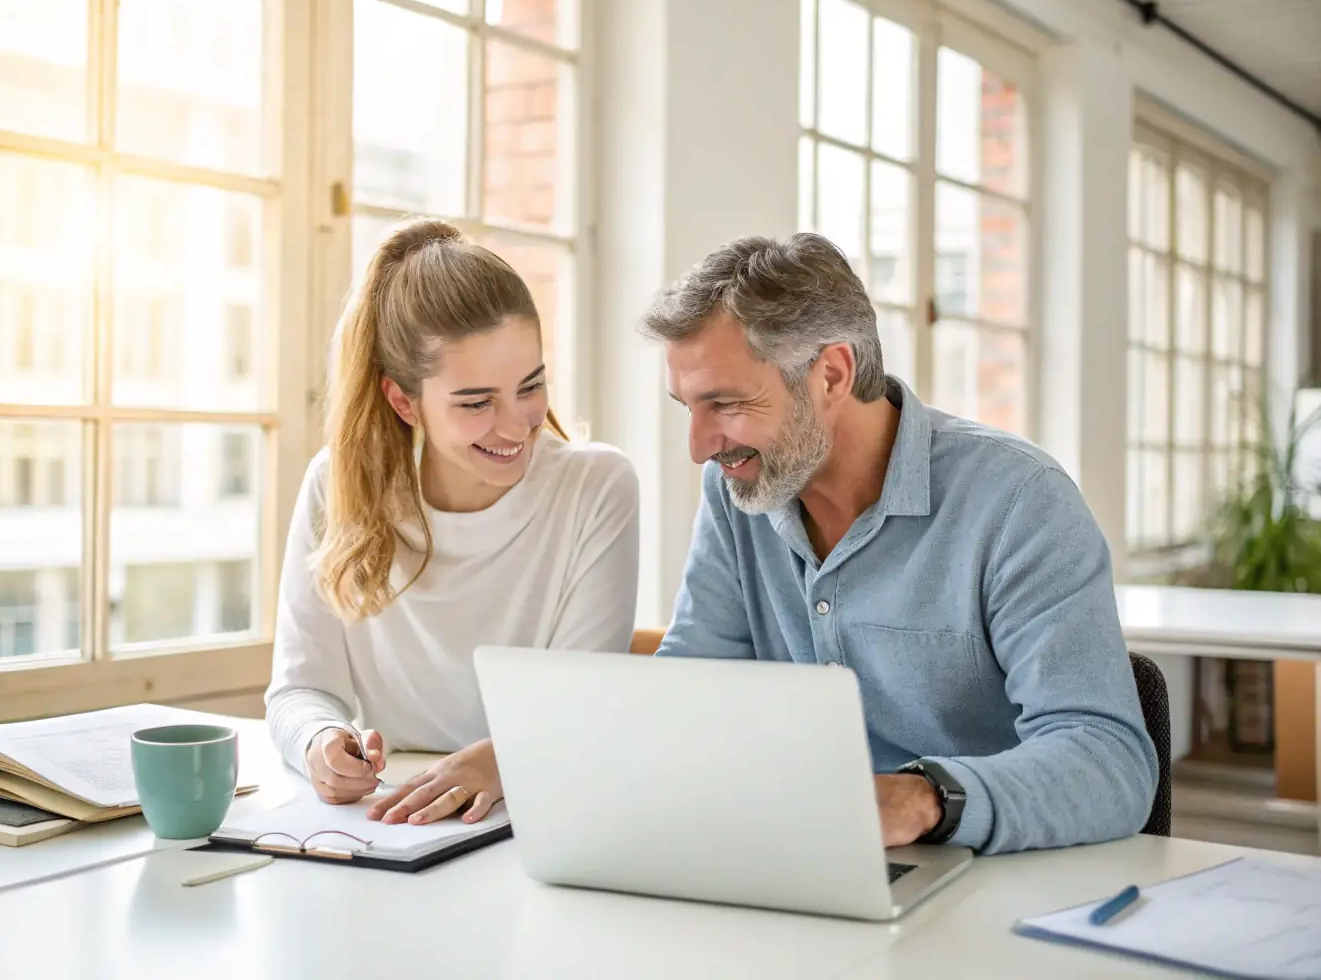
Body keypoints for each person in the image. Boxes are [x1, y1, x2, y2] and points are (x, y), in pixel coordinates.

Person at [639, 231, 1157, 855]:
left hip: (992, 874)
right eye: (687, 407)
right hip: (802, 860)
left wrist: (924, 798)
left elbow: (1110, 763)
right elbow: (690, 699)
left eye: (724, 403)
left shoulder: (1019, 501)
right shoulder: (739, 489)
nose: (699, 445)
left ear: (831, 374)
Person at [265, 217, 640, 826]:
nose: (517, 423)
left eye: (531, 385)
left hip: (539, 812)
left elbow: (579, 707)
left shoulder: (596, 488)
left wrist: (499, 762)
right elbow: (299, 691)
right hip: (396, 825)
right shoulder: (337, 484)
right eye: (475, 402)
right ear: (403, 402)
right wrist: (320, 740)